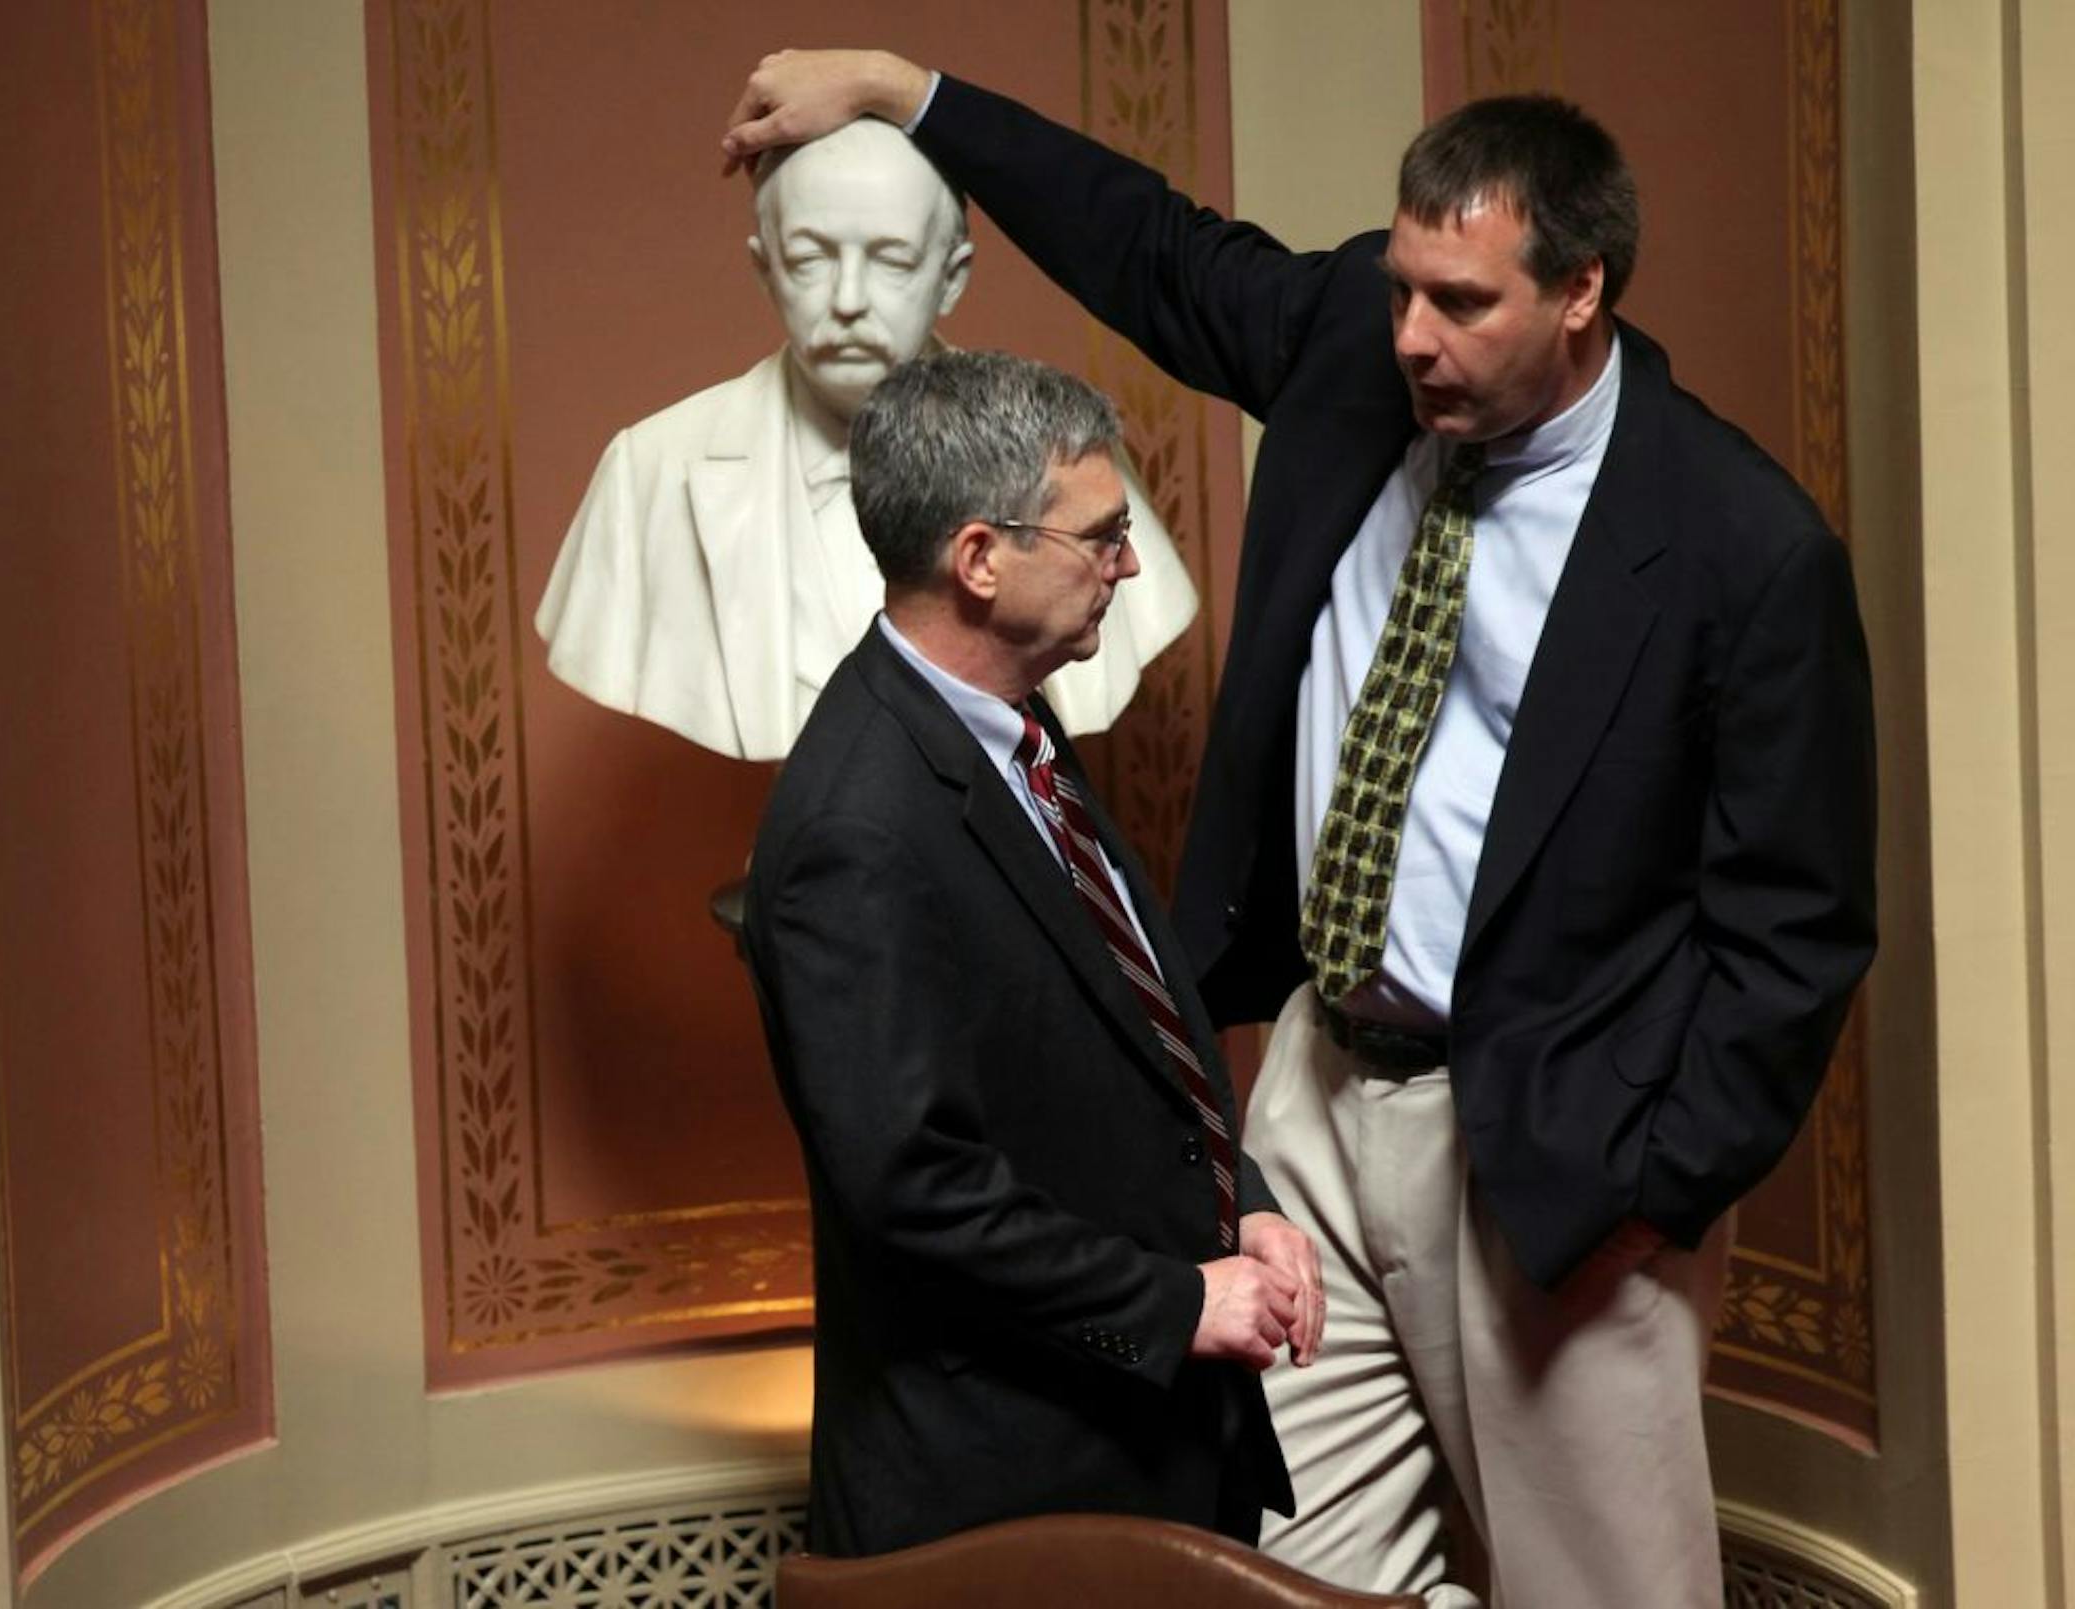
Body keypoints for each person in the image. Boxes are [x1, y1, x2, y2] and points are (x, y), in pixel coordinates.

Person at [722, 54, 1877, 1608]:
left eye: (1461, 302)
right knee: (1276, 1576)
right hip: (1315, 1097)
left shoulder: (1743, 544)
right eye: (1402, 287)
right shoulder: (1357, 347)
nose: (1412, 336)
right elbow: (1149, 244)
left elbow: (1796, 928)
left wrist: (1657, 1190)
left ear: (1581, 290)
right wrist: (913, 94)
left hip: (1550, 1142)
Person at [742, 348, 1321, 1556]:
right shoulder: (859, 826)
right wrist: (1175, 1302)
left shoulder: (1011, 722)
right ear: (979, 559)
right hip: (1005, 1494)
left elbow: (1121, 1049)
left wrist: (1243, 1211)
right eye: (1101, 536)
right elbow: (914, 1192)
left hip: (1135, 1444)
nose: (1128, 564)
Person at [534, 117, 1195, 761]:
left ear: (952, 277)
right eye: (809, 258)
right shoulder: (648, 474)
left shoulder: (1076, 458)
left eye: (891, 260)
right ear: (765, 271)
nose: (847, 298)